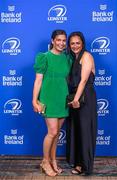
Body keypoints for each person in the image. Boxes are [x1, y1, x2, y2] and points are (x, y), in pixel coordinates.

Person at [32, 29, 72, 177]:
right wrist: (35, 100)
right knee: (52, 132)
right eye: (58, 40)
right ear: (52, 41)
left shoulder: (67, 58)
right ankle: (45, 161)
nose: (61, 43)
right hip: (48, 98)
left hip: (63, 98)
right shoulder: (44, 57)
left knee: (56, 134)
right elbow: (38, 80)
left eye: (63, 40)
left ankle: (53, 161)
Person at [66, 31, 97, 175]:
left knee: (85, 131)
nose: (75, 46)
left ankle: (86, 166)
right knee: (77, 131)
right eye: (72, 43)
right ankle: (78, 164)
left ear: (83, 43)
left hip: (85, 98)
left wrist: (77, 99)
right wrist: (73, 99)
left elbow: (83, 80)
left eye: (78, 43)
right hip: (75, 98)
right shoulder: (73, 58)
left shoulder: (87, 56)